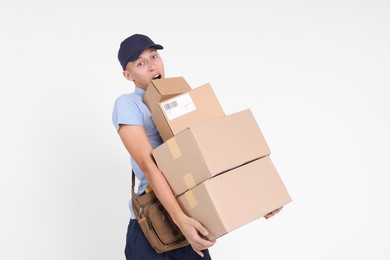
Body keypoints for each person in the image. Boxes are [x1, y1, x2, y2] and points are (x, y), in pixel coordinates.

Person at [112, 33, 283, 260]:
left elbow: (211, 158)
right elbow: (148, 166)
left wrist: (259, 200)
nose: (152, 66)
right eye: (141, 63)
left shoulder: (181, 99)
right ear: (128, 74)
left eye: (154, 56)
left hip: (190, 219)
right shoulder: (128, 104)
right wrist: (180, 220)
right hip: (155, 224)